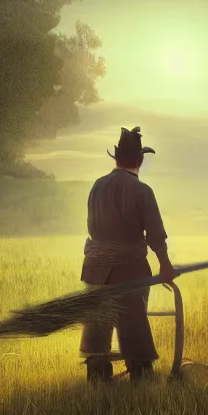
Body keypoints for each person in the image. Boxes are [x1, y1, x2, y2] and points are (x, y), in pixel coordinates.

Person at [80, 126, 177, 384]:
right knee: (133, 321)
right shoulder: (142, 190)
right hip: (129, 269)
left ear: (116, 158)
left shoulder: (97, 186)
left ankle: (97, 378)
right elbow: (155, 234)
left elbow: (92, 226)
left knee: (98, 323)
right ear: (139, 160)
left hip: (95, 268)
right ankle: (141, 377)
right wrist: (165, 266)